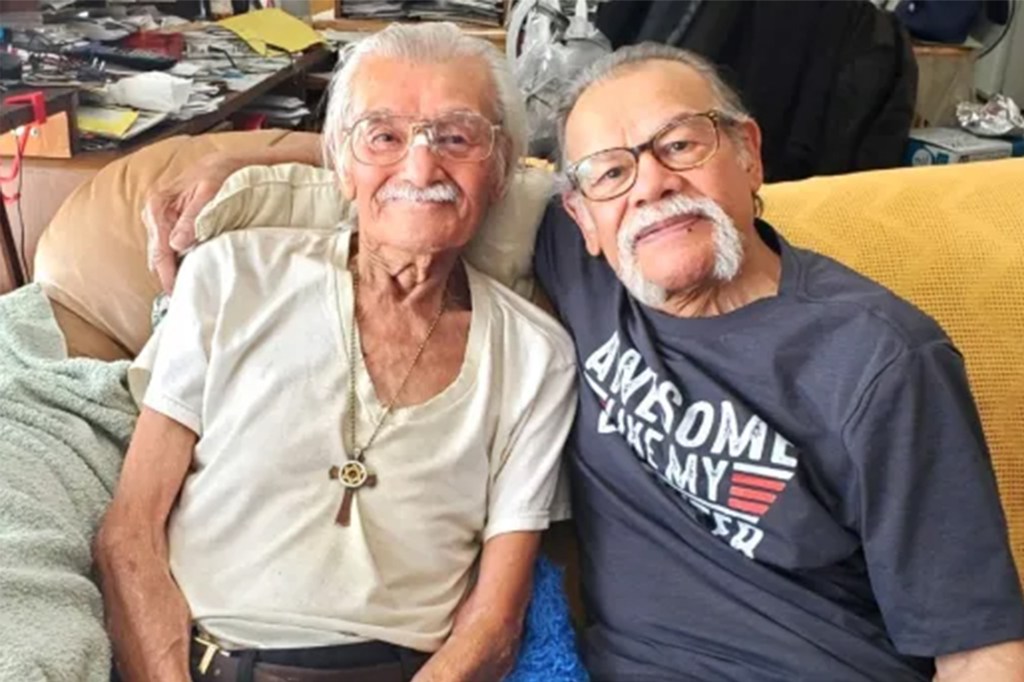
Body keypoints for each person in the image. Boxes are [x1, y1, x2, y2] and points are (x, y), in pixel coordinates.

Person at [143, 39, 1024, 682]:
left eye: (682, 145)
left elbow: (980, 647)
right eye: (610, 171)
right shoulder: (589, 262)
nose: (649, 184)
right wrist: (246, 150)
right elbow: (427, 172)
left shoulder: (879, 359)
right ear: (580, 218)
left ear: (749, 154)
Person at [96, 23, 577, 682]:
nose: (419, 167)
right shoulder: (232, 276)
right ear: (342, 166)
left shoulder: (535, 356)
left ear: (499, 171)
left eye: (456, 138)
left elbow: (494, 624)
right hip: (197, 660)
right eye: (383, 136)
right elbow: (130, 533)